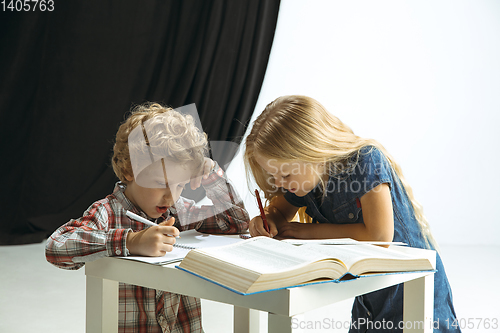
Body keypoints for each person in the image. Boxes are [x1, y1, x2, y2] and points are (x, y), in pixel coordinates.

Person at [244, 95, 460, 332]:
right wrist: (268, 219)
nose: (279, 183)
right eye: (273, 176)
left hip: (413, 294)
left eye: (285, 175)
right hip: (368, 298)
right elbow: (279, 211)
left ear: (312, 152)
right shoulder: (305, 181)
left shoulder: (366, 160)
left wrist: (308, 231)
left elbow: (379, 236)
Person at [46, 102, 249, 333]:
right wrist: (130, 242)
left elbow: (236, 223)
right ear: (130, 170)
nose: (171, 196)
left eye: (180, 184)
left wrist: (212, 174)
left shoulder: (179, 211)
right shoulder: (107, 213)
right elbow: (56, 248)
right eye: (161, 184)